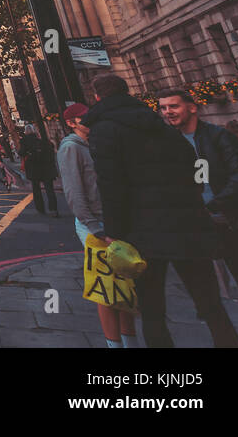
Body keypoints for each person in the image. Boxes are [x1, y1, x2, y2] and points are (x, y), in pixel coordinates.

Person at [85, 73, 238, 348]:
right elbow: (188, 162)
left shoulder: (104, 129)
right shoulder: (156, 122)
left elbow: (111, 185)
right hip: (187, 225)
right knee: (210, 304)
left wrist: (114, 232)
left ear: (97, 97)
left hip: (143, 232)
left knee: (152, 310)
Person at [159, 89, 238, 305]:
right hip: (198, 226)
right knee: (209, 296)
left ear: (192, 108)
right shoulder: (169, 143)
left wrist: (211, 206)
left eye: (173, 106)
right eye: (163, 108)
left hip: (233, 221)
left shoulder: (219, 136)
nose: (167, 112)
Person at [58, 103, 139, 348]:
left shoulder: (96, 143)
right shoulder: (71, 147)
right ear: (72, 122)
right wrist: (95, 228)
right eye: (85, 118)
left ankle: (130, 342)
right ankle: (114, 345)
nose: (91, 121)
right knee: (106, 290)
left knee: (125, 287)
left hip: (114, 220)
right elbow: (74, 192)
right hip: (94, 225)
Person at [19, 127, 59, 216]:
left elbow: (21, 152)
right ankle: (53, 209)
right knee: (49, 189)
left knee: (36, 189)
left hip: (34, 168)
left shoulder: (24, 141)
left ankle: (40, 209)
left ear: (26, 132)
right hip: (46, 167)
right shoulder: (43, 140)